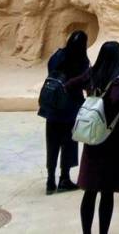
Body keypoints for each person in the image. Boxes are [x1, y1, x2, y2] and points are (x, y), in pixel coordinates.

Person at [75, 41, 119, 234]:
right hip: (110, 137)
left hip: (93, 136)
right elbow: (117, 98)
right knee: (107, 193)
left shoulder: (93, 73)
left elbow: (73, 83)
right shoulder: (117, 78)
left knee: (89, 191)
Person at [40, 30, 89, 194]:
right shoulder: (82, 60)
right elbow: (84, 82)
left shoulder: (58, 55)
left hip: (53, 107)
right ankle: (64, 178)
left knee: (52, 144)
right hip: (70, 108)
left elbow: (50, 70)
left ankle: (50, 180)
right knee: (68, 144)